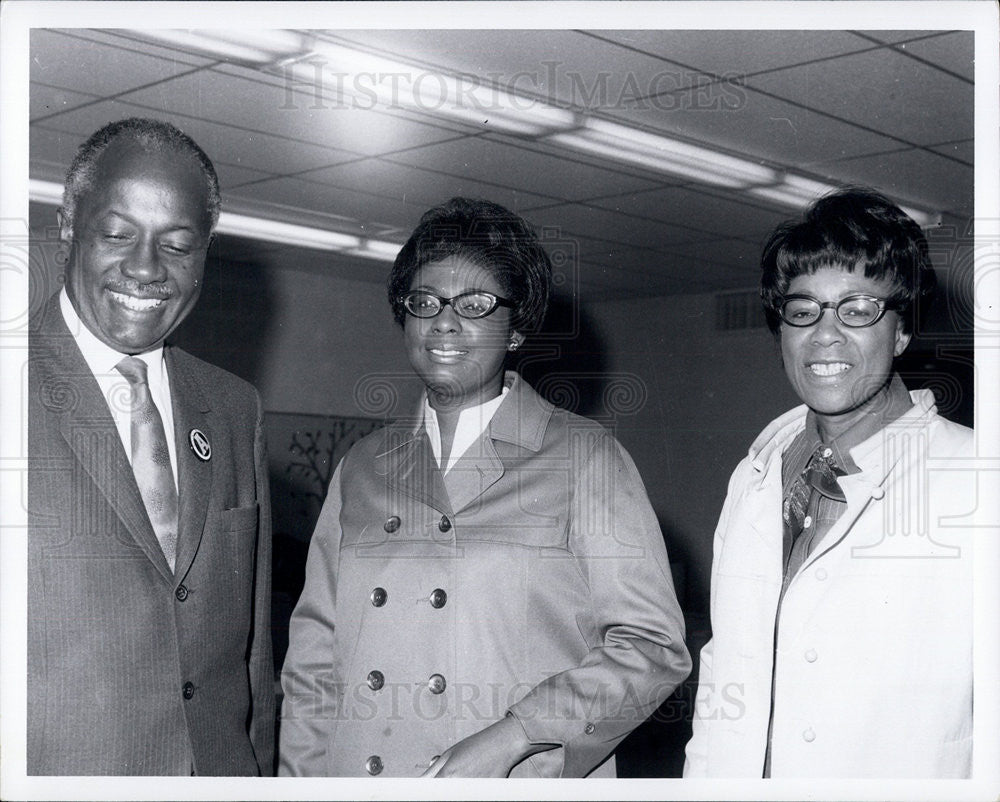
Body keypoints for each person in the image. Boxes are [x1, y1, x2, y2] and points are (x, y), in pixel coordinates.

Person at [278, 197, 690, 778]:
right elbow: (314, 660)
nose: (444, 322)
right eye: (424, 302)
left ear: (517, 328)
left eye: (475, 305)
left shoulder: (585, 456)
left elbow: (651, 646)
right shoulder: (364, 466)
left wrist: (517, 735)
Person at [684, 187, 974, 778]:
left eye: (859, 308)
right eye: (803, 309)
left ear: (901, 331)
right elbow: (724, 671)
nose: (825, 334)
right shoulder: (755, 479)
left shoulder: (974, 480)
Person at [28, 118, 274, 775]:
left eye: (178, 244)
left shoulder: (232, 407)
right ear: (67, 226)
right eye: (117, 234)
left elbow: (250, 654)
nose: (145, 268)